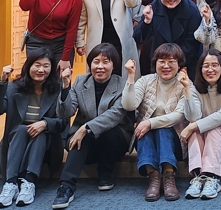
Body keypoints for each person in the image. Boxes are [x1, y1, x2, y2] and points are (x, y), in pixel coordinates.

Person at [53, 43, 133, 209]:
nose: (100, 66)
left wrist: (85, 128)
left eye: (106, 62)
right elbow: (65, 113)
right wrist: (66, 86)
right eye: (96, 61)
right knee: (82, 137)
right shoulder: (80, 81)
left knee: (103, 131)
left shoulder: (122, 84)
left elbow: (114, 115)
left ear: (114, 65)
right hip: (86, 146)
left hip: (113, 144)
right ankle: (66, 186)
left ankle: (105, 171)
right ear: (90, 64)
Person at [122, 44, 189, 202]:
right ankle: (153, 176)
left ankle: (168, 174)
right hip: (146, 137)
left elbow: (178, 116)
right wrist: (131, 76)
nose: (166, 66)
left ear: (179, 65)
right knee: (144, 132)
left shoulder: (184, 84)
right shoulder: (145, 80)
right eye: (162, 61)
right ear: (155, 63)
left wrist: (149, 123)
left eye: (171, 62)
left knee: (161, 129)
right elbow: (128, 105)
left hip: (175, 139)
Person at [0, 49, 64, 207]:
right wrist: (2, 82)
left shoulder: (57, 89)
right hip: (16, 141)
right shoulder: (14, 87)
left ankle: (28, 182)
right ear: (28, 66)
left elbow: (63, 122)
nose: (41, 69)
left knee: (40, 133)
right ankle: (11, 184)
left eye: (46, 66)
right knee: (22, 129)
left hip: (47, 144)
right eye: (37, 65)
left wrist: (45, 123)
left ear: (52, 68)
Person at [181, 50, 221, 200]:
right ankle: (198, 177)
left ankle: (212, 176)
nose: (210, 69)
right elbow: (193, 117)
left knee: (213, 125)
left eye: (214, 65)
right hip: (205, 142)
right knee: (195, 127)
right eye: (206, 66)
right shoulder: (195, 89)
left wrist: (191, 126)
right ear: (200, 69)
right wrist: (187, 90)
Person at [133, 0, 202, 79]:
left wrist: (173, 62)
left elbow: (192, 44)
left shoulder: (192, 10)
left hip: (185, 63)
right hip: (160, 64)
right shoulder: (153, 7)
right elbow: (138, 38)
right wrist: (147, 21)